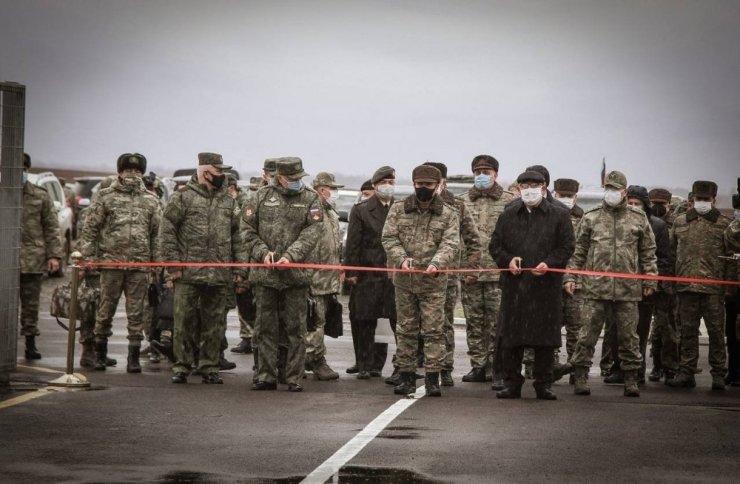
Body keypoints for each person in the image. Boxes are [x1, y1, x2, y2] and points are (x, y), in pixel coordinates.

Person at [566, 170, 658, 397]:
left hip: (627, 291)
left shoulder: (638, 218)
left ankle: (630, 379)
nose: (611, 193)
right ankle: (580, 376)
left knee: (629, 337)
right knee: (587, 335)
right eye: (608, 188)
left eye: (616, 189)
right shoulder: (591, 217)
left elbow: (648, 252)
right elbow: (578, 252)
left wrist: (650, 278)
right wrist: (570, 276)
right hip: (596, 288)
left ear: (624, 191)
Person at [159, 152, 245, 384]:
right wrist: (173, 265)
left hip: (218, 274)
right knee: (183, 322)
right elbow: (167, 232)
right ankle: (182, 366)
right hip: (188, 273)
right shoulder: (182, 198)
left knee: (215, 323)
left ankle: (209, 366)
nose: (222, 175)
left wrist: (239, 269)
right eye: (218, 171)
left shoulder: (228, 200)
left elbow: (237, 236)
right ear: (205, 172)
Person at [489, 170, 575, 399]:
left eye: (534, 184)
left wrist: (550, 263)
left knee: (545, 340)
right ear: (518, 188)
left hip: (545, 287)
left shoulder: (559, 215)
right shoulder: (508, 214)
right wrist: (507, 261)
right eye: (524, 185)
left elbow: (567, 246)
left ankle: (543, 384)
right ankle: (512, 383)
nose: (529, 189)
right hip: (515, 286)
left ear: (544, 186)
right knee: (511, 339)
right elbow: (495, 246)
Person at [241, 157, 323, 392]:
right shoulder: (259, 197)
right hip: (265, 276)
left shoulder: (310, 198)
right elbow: (247, 229)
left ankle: (293, 376)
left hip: (295, 277)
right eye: (292, 178)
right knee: (265, 327)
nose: (297, 182)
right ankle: (266, 375)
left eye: (300, 178)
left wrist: (292, 256)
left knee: (296, 329)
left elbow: (313, 230)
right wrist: (262, 253)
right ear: (279, 177)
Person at [78, 153, 161, 373]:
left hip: (139, 267)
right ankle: (100, 354)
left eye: (137, 171)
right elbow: (90, 231)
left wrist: (157, 266)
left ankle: (133, 357)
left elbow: (157, 235)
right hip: (111, 265)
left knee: (136, 313)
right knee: (105, 310)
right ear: (120, 172)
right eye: (128, 171)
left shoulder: (151, 200)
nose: (132, 175)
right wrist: (88, 260)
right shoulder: (105, 197)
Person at [382, 164, 460, 397]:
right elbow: (388, 237)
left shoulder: (448, 213)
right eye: (419, 185)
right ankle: (405, 375)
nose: (423, 189)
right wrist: (400, 258)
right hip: (405, 282)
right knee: (406, 329)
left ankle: (433, 377)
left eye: (428, 185)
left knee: (434, 331)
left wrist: (437, 263)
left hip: (434, 283)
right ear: (414, 184)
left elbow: (451, 243)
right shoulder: (399, 209)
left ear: (437, 186)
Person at [667, 180, 733, 390]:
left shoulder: (724, 224)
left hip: (713, 289)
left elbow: (731, 257)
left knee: (715, 333)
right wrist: (672, 281)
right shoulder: (680, 222)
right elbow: (671, 252)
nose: (702, 203)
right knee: (687, 331)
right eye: (698, 199)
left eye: (706, 199)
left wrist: (729, 286)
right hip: (686, 287)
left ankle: (718, 374)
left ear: (714, 200)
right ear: (692, 199)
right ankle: (687, 371)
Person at [604, 185, 672, 384]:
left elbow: (664, 258)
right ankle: (618, 368)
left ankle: (637, 370)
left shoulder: (657, 226)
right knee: (616, 330)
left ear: (645, 205)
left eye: (637, 203)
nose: (633, 206)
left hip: (643, 288)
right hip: (620, 286)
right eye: (630, 203)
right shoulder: (619, 221)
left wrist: (653, 282)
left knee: (639, 332)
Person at [423, 162, 482, 386]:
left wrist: (472, 268)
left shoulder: (457, 205)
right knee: (413, 323)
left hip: (445, 276)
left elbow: (473, 239)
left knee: (444, 323)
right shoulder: (410, 205)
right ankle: (410, 366)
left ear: (442, 182)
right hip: (415, 275)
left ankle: (444, 367)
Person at [459, 155, 515, 387]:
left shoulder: (510, 201)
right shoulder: (461, 201)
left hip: (497, 273)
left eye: (486, 171)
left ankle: (498, 366)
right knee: (474, 321)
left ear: (496, 174)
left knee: (497, 323)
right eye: (478, 172)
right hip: (470, 273)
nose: (482, 175)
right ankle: (479, 365)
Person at [344, 166, 398, 380]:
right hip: (368, 274)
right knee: (365, 320)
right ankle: (364, 363)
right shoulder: (361, 210)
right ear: (375, 186)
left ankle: (382, 364)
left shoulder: (400, 208)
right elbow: (353, 244)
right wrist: (352, 271)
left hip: (392, 275)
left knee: (391, 321)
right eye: (384, 182)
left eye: (392, 182)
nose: (388, 187)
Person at [20, 153, 62, 359]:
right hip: (5, 260)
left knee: (31, 305)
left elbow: (51, 227)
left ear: (27, 170)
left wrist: (54, 256)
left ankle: (30, 343)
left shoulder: (40, 195)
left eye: (23, 168)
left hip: (31, 259)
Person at [306, 171, 344, 380]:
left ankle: (311, 358)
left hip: (329, 276)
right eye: (333, 188)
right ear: (322, 189)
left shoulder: (330, 211)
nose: (335, 192)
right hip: (315, 277)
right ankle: (315, 360)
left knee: (321, 321)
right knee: (315, 322)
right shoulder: (313, 210)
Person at [550, 178, 585, 383]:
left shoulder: (584, 218)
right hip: (552, 280)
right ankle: (551, 366)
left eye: (569, 196)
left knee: (576, 327)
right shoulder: (548, 216)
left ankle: (575, 368)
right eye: (561, 195)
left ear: (576, 197)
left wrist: (574, 276)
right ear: (554, 194)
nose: (565, 199)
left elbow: (582, 251)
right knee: (551, 325)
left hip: (577, 282)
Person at [647, 187, 679, 382]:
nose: (658, 207)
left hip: (667, 282)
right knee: (651, 328)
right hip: (648, 280)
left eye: (662, 204)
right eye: (654, 203)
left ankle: (668, 367)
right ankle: (656, 366)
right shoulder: (646, 223)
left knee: (666, 327)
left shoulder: (676, 224)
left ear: (669, 205)